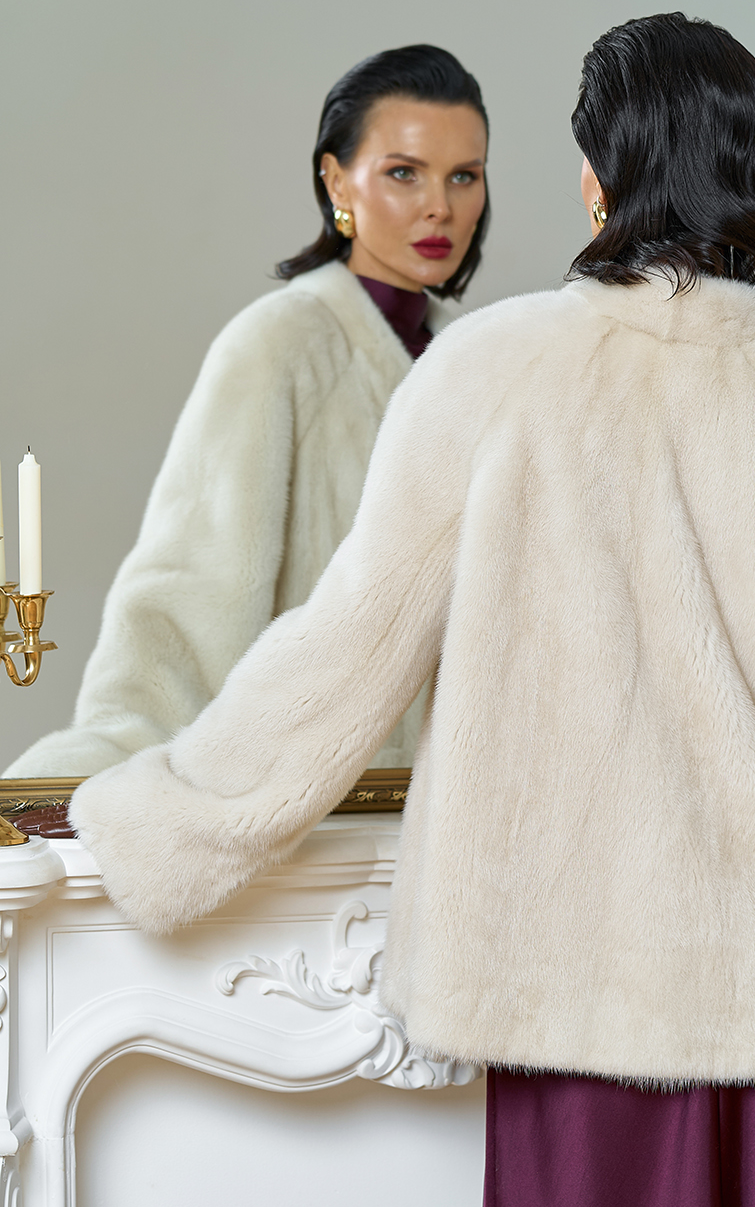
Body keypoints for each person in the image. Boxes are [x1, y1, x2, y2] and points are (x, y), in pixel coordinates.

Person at [70, 14, 755, 1207]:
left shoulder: (491, 373)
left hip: (561, 1011)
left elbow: (343, 651)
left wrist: (156, 822)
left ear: (600, 180)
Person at [5, 43, 489, 779]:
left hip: (454, 797)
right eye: (403, 172)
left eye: (464, 176)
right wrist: (86, 782)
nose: (440, 207)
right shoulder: (279, 345)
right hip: (317, 805)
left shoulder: (480, 362)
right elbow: (186, 602)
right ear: (336, 180)